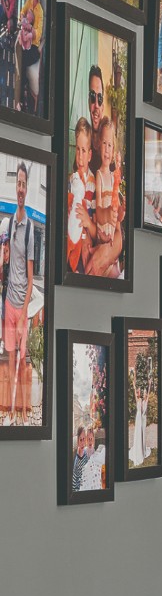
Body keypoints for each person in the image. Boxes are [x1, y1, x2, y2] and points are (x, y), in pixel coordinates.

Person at [0, 158, 39, 423]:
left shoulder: (31, 230)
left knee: (23, 363)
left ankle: (24, 413)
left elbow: (30, 275)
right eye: (19, 183)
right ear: (15, 188)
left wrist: (25, 308)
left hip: (21, 307)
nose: (21, 188)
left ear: (28, 187)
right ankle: (10, 412)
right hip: (9, 305)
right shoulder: (9, 224)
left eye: (25, 184)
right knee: (9, 359)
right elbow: (6, 262)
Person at [87, 112, 122, 280]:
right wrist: (108, 214)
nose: (107, 149)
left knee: (114, 274)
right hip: (102, 235)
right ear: (98, 145)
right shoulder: (99, 176)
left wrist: (118, 215)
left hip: (112, 240)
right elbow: (99, 210)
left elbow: (117, 216)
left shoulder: (114, 177)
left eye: (110, 145)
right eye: (104, 144)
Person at [64, 113, 91, 275]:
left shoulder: (94, 183)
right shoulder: (70, 179)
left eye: (83, 150)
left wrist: (88, 221)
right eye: (77, 150)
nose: (80, 157)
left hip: (85, 247)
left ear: (89, 154)